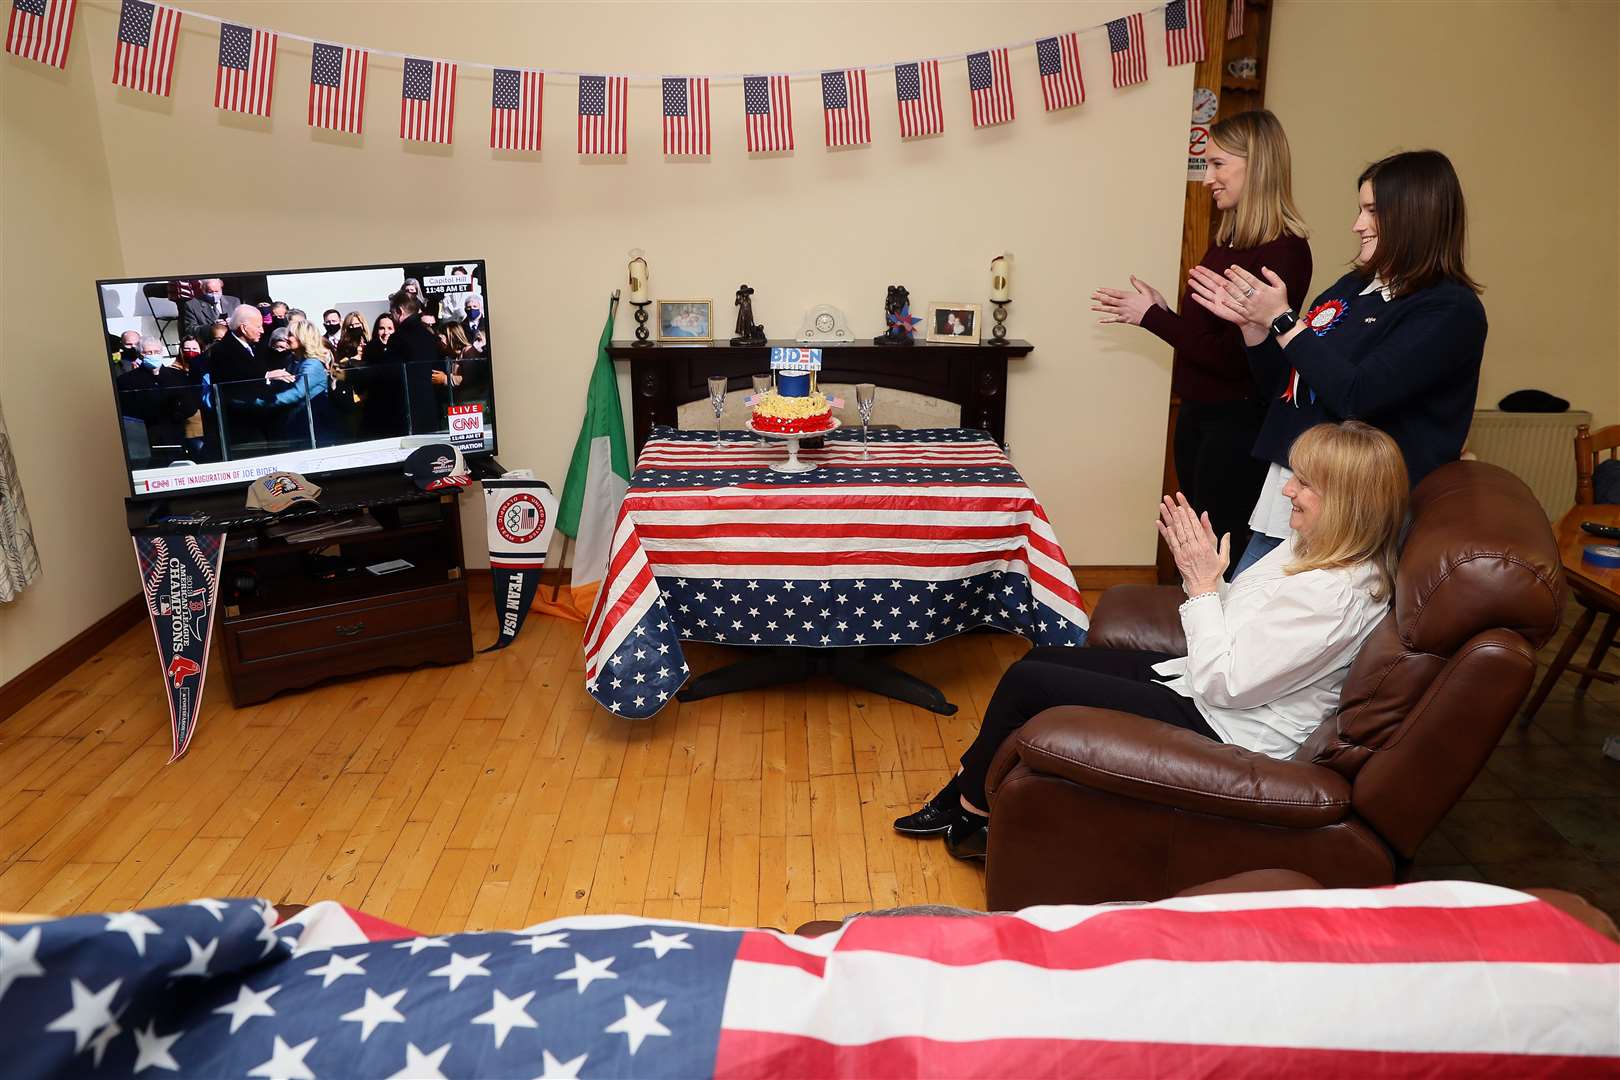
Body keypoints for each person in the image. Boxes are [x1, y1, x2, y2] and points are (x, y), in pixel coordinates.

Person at [895, 420, 1407, 860]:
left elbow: (1226, 683)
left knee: (1032, 681)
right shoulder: (1312, 546)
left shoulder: (1335, 595)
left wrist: (1203, 585)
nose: (1287, 490)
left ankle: (970, 817)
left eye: (1305, 483)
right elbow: (1247, 629)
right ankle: (967, 788)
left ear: (1347, 504)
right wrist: (1210, 579)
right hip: (1209, 691)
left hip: (1231, 727)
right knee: (1044, 659)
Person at [1189, 149, 1486, 576]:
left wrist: (1283, 320)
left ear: (1412, 216)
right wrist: (1255, 329)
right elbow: (1289, 385)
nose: (1357, 225)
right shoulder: (1353, 286)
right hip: (1290, 491)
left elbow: (1357, 395)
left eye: (1371, 211)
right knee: (1244, 612)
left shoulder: (1448, 310)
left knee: (1260, 625)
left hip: (1349, 513)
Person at [1093, 110, 1313, 567]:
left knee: (1218, 555)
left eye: (1218, 164)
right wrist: (1165, 313)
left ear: (1257, 165)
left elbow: (1237, 360)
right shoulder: (1227, 243)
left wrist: (1153, 318)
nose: (1208, 178)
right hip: (1199, 419)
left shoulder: (1284, 252)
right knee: (1196, 549)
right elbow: (1209, 338)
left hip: (1235, 431)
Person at [116, 336, 201, 466]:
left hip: (175, 436)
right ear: (140, 354)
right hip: (144, 440)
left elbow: (190, 406)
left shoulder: (178, 377)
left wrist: (176, 411)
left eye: (156, 352)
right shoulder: (126, 381)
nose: (153, 355)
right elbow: (128, 411)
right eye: (148, 352)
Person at [202, 303, 272, 455]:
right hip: (240, 425)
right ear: (244, 327)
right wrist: (267, 376)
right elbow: (236, 380)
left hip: (256, 420)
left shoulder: (251, 347)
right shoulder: (224, 350)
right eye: (258, 326)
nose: (262, 330)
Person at [264, 322, 338, 448]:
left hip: (314, 429)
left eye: (291, 335)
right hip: (299, 426)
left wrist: (264, 402)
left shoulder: (312, 364)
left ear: (303, 338)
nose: (287, 338)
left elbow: (297, 393)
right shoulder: (294, 361)